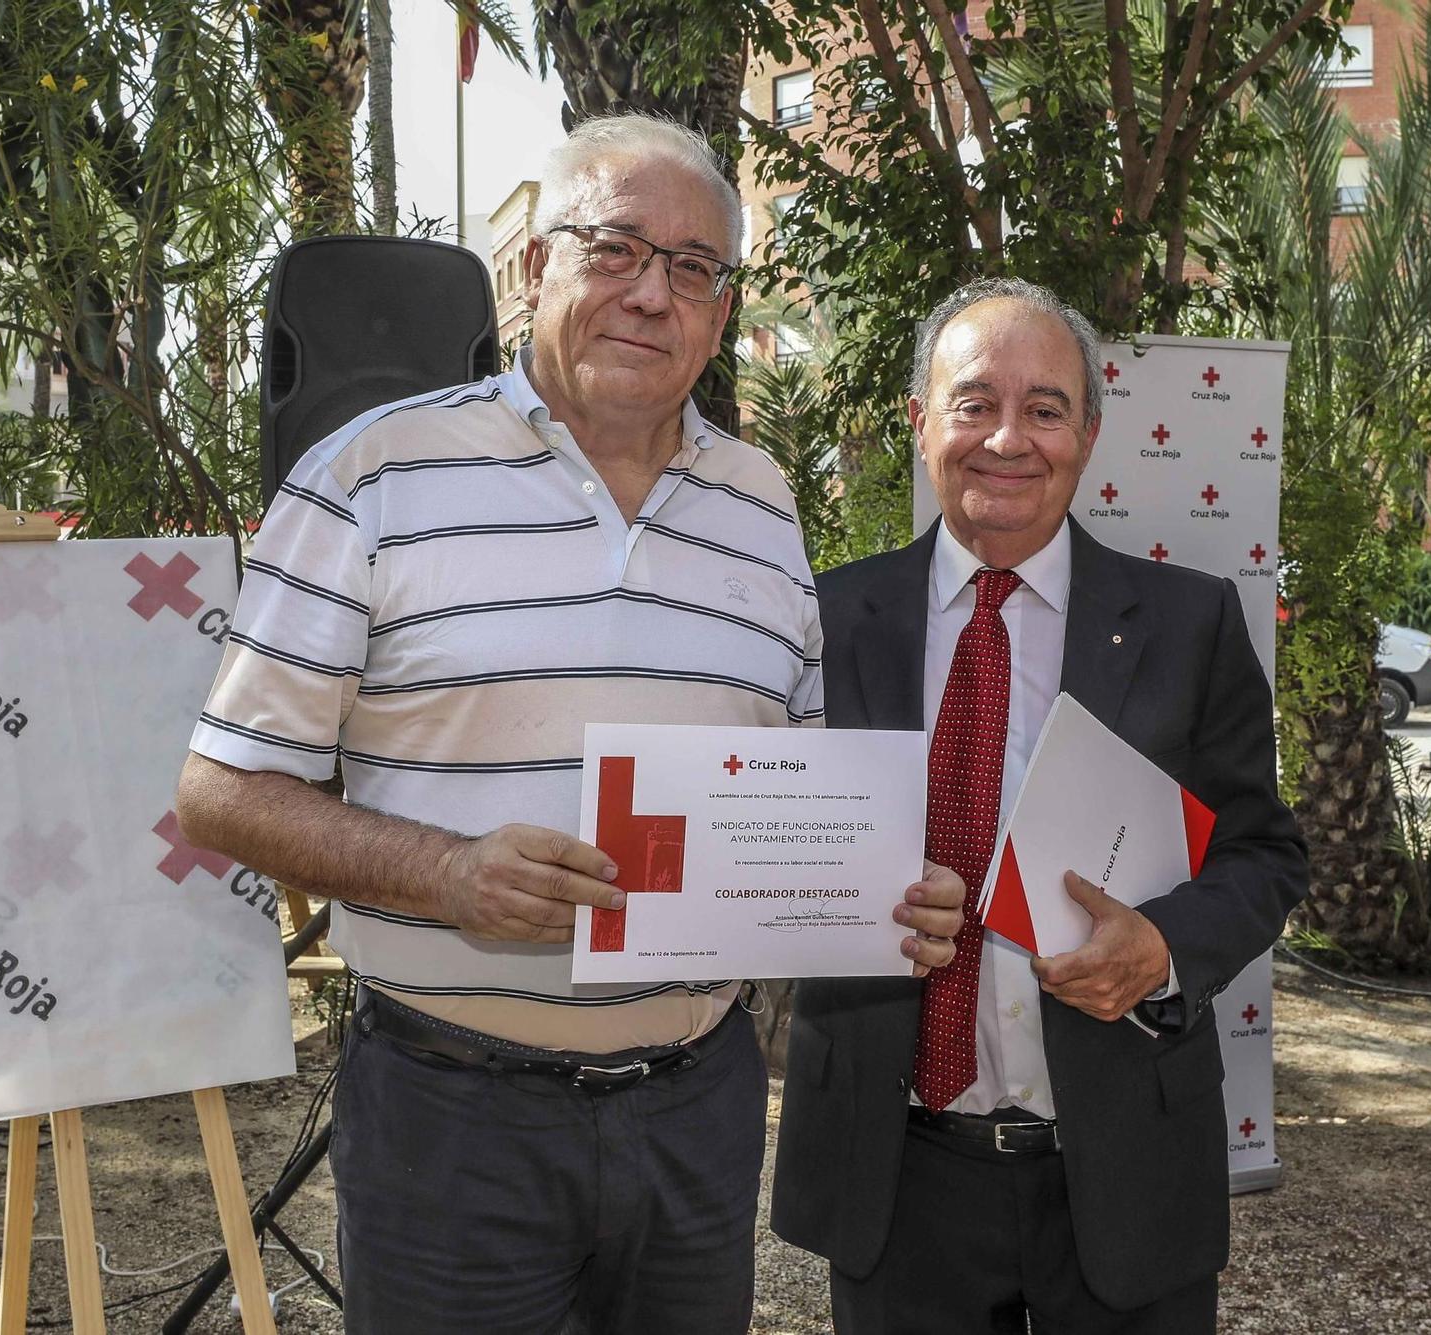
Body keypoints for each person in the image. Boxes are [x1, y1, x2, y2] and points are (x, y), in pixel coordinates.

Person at [174, 113, 964, 1335]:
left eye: (692, 268)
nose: (652, 294)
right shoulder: (371, 473)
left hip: (696, 1110)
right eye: (613, 249)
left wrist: (872, 892)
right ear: (531, 268)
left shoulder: (761, 504)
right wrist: (444, 873)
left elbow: (793, 776)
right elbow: (220, 793)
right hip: (454, 1119)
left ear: (720, 311)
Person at [770, 278, 1307, 1333]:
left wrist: (1158, 947)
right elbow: (769, 846)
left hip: (1120, 1165)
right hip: (894, 1169)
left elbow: (1262, 855)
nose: (1006, 437)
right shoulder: (826, 619)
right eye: (973, 402)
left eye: (1044, 407)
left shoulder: (1189, 623)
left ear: (1089, 434)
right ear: (921, 422)